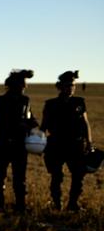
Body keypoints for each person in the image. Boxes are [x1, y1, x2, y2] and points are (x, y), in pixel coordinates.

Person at [41, 70, 93, 211]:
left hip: (75, 144)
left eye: (73, 85)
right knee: (57, 176)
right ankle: (56, 203)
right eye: (68, 85)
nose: (71, 88)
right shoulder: (51, 104)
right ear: (60, 86)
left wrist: (89, 142)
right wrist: (39, 143)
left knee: (78, 175)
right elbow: (44, 126)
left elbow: (85, 123)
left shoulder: (79, 102)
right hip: (56, 145)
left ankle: (73, 204)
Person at [0, 70, 34, 212]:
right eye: (22, 85)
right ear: (13, 85)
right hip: (3, 142)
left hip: (20, 145)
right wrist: (19, 125)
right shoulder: (0, 101)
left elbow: (30, 118)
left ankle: (20, 206)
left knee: (20, 177)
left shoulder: (25, 100)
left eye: (25, 85)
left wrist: (34, 127)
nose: (24, 87)